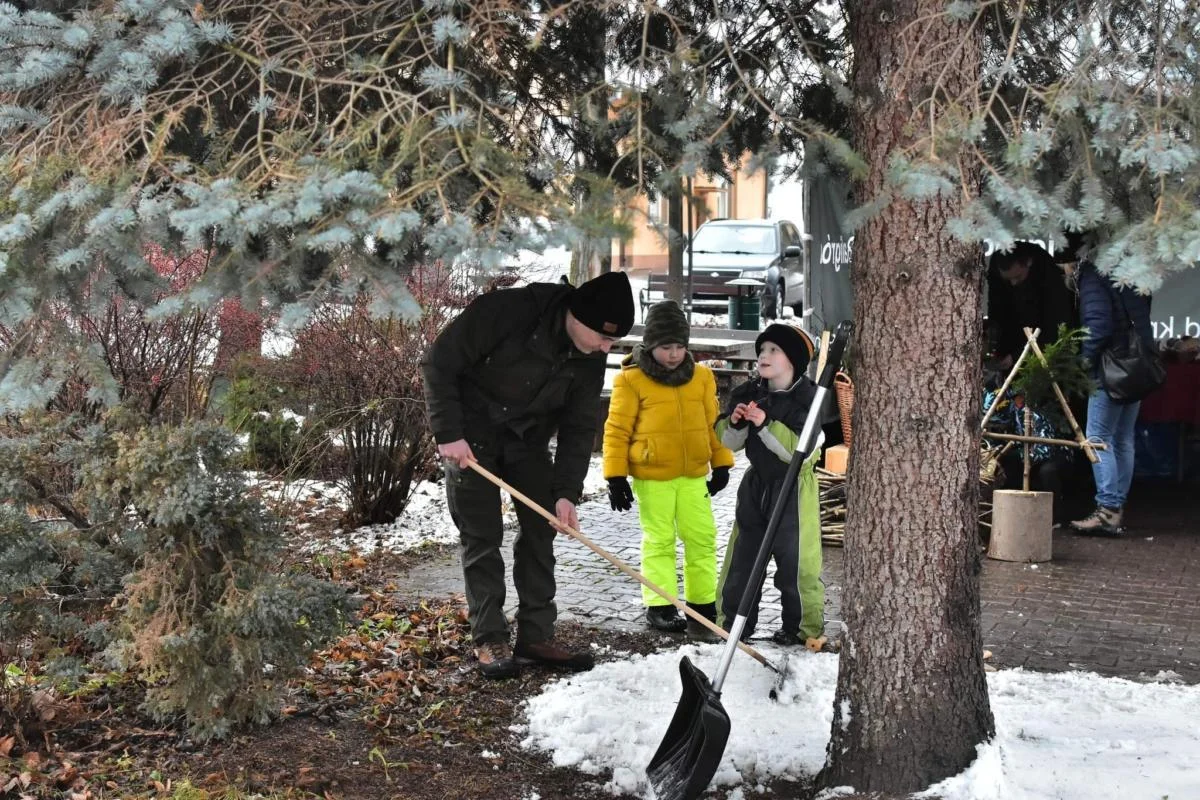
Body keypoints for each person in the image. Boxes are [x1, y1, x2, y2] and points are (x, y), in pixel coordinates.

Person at [421, 270, 635, 678]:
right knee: (482, 535)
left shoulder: (590, 353)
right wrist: (448, 433)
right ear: (578, 316)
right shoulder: (509, 311)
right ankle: (489, 637)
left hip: (528, 442)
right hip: (472, 437)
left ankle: (536, 636)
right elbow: (439, 362)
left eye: (612, 341)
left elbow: (579, 424)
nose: (607, 348)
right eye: (604, 338)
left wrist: (566, 494)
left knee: (543, 526)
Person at [601, 300, 734, 635]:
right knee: (660, 540)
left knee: (702, 538)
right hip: (653, 475)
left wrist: (721, 463)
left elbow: (710, 424)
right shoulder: (631, 380)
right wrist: (615, 476)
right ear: (650, 345)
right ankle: (660, 605)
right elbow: (617, 430)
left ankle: (702, 605)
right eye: (665, 347)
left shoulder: (702, 377)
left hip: (693, 475)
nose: (673, 354)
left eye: (679, 346)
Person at [714, 323, 826, 649]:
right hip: (756, 488)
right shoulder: (750, 392)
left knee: (797, 565)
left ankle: (804, 631)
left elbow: (800, 453)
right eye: (762, 350)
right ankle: (733, 625)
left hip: (793, 491)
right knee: (743, 560)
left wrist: (765, 425)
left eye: (774, 350)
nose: (764, 355)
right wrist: (734, 423)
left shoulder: (810, 400)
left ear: (792, 360)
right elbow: (729, 443)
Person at [1070, 261, 1154, 535]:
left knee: (1097, 438)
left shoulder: (1093, 274)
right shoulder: (1130, 269)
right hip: (1135, 365)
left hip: (1110, 369)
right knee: (1122, 439)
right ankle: (1115, 508)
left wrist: (1083, 363)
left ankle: (1107, 509)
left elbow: (1098, 324)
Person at [987, 241, 1079, 368]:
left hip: (1041, 344)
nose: (1013, 283)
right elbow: (997, 310)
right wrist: (997, 346)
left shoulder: (1047, 274)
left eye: (1018, 277)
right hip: (1012, 337)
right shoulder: (997, 268)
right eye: (1008, 280)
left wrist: (1017, 356)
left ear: (1029, 262)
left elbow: (1055, 326)